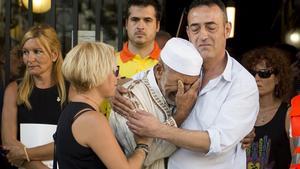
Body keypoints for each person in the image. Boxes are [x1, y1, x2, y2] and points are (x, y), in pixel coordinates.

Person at [125, 0, 259, 168]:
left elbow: (216, 142)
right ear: (188, 32)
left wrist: (157, 129)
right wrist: (118, 89)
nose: (203, 35)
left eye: (211, 27)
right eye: (195, 28)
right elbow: (142, 79)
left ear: (227, 29)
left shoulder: (242, 83)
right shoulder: (180, 65)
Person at [55, 42, 151, 169]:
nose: (117, 77)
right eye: (114, 71)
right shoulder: (92, 119)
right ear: (98, 74)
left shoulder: (71, 110)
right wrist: (143, 145)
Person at [110, 38, 202, 169]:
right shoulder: (128, 98)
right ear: (159, 71)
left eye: (191, 85)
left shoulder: (192, 95)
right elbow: (143, 156)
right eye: (180, 83)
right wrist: (180, 116)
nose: (185, 92)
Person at [1, 24, 68, 169]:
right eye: (25, 52)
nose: (29, 59)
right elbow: (9, 144)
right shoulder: (14, 90)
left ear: (54, 55)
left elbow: (72, 143)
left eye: (37, 51)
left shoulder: (70, 90)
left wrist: (25, 153)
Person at [242, 47, 292, 169]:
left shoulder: (288, 114)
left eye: (264, 73)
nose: (257, 78)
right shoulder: (240, 111)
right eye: (252, 73)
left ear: (277, 79)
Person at [117, 0, 161, 78]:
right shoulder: (109, 63)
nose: (140, 27)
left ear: (157, 26)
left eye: (147, 20)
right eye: (135, 20)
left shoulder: (168, 64)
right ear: (126, 24)